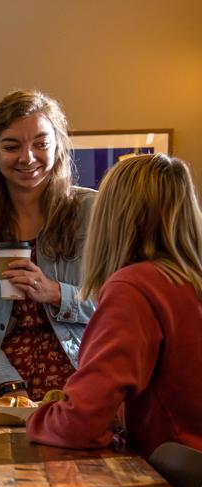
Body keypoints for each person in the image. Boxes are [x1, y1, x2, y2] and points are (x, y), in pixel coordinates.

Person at [28, 154, 202, 455]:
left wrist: (37, 418)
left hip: (178, 480)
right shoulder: (189, 282)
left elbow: (79, 423)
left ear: (112, 217)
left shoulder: (134, 288)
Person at [0, 90, 97, 419]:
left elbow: (116, 303)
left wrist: (58, 293)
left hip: (72, 357)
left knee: (74, 424)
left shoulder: (93, 212)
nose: (27, 158)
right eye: (12, 146)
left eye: (41, 143)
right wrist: (9, 384)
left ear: (57, 146)